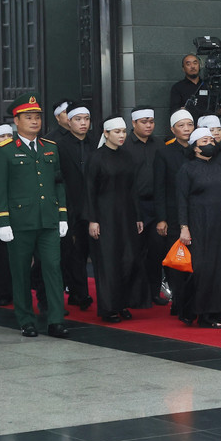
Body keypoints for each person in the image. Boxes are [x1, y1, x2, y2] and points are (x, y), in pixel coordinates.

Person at [0, 93, 69, 338]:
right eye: (28, 117)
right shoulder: (4, 151)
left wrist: (62, 214)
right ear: (16, 121)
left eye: (37, 117)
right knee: (21, 271)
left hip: (48, 220)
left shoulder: (50, 148)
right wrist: (2, 220)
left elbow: (58, 183)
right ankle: (26, 319)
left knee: (53, 269)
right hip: (19, 222)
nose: (35, 121)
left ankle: (55, 320)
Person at [86, 116, 150, 322]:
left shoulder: (127, 156)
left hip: (126, 215)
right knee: (109, 262)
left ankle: (123, 303)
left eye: (123, 132)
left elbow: (133, 189)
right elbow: (89, 191)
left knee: (128, 259)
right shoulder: (96, 158)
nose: (122, 135)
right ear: (106, 134)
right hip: (104, 217)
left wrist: (138, 216)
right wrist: (92, 219)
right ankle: (108, 308)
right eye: (117, 132)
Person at [176, 127, 221, 328]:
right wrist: (184, 227)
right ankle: (195, 311)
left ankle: (215, 313)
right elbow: (181, 200)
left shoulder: (218, 167)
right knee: (200, 268)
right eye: (205, 140)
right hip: (197, 223)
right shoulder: (187, 169)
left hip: (218, 223)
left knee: (219, 268)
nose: (210, 143)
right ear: (195, 147)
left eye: (212, 140)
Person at [121, 105, 168, 305]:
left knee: (156, 250)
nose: (149, 125)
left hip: (156, 204)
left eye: (151, 121)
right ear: (133, 123)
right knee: (134, 252)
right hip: (133, 205)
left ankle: (154, 292)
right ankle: (133, 294)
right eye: (144, 122)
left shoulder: (160, 144)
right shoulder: (125, 146)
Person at [154, 110, 194, 318]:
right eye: (182, 125)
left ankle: (191, 300)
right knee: (176, 260)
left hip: (195, 214)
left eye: (190, 125)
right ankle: (178, 300)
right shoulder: (165, 153)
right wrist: (161, 218)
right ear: (172, 129)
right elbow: (159, 187)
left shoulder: (199, 150)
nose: (186, 129)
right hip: (172, 214)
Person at [56, 102, 95, 310]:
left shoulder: (96, 143)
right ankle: (79, 293)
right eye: (78, 119)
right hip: (71, 206)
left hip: (94, 207)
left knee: (94, 250)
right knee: (74, 252)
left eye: (86, 119)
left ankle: (81, 293)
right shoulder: (58, 145)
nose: (83, 123)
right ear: (69, 122)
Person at [169, 54, 221, 122]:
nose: (192, 66)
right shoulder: (178, 87)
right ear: (183, 69)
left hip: (209, 127)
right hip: (189, 127)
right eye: (188, 64)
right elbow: (174, 111)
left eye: (195, 63)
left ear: (199, 66)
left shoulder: (209, 85)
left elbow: (219, 110)